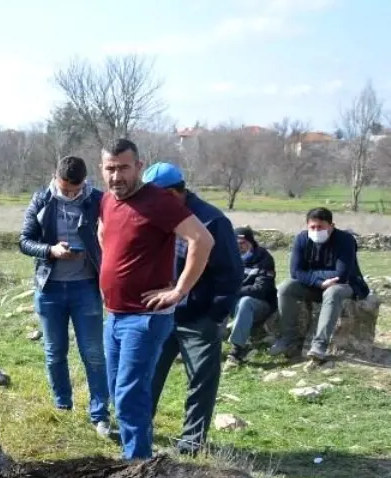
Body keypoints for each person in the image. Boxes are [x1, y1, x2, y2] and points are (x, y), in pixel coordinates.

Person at [97, 139, 214, 461]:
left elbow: (202, 239)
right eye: (110, 168)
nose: (116, 176)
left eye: (123, 167)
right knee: (117, 391)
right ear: (101, 169)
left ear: (138, 166)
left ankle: (137, 468)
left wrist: (179, 290)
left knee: (129, 395)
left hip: (145, 317)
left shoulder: (159, 201)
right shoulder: (107, 200)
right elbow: (105, 230)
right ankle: (135, 459)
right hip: (114, 314)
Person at [141, 163, 243, 457]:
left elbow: (232, 273)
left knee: (200, 379)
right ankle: (140, 427)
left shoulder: (211, 222)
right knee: (148, 373)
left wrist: (214, 315)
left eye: (155, 198)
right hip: (161, 313)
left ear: (173, 193)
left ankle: (191, 441)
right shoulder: (158, 218)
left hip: (198, 317)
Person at [18, 155, 111, 438]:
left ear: (85, 182)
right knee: (54, 352)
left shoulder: (98, 199)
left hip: (86, 287)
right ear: (56, 177)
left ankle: (100, 415)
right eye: (65, 189)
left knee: (94, 354)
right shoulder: (41, 199)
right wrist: (50, 250)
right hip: (50, 289)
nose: (71, 194)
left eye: (76, 189)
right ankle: (63, 407)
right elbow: (24, 241)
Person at [269, 207, 371, 361]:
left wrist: (311, 276)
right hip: (316, 285)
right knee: (286, 288)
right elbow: (295, 272)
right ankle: (288, 338)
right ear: (307, 226)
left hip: (347, 285)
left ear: (331, 226)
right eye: (313, 227)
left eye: (321, 227)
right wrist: (319, 282)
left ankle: (319, 345)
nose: (316, 230)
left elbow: (341, 275)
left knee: (333, 292)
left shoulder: (346, 240)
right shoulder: (302, 239)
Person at [226, 226, 277, 365]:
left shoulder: (263, 258)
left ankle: (238, 349)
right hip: (233, 302)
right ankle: (205, 343)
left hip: (260, 304)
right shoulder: (228, 257)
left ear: (251, 242)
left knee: (245, 301)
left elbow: (260, 289)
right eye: (235, 243)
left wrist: (234, 291)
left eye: (242, 243)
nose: (239, 247)